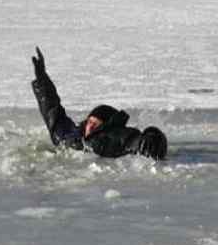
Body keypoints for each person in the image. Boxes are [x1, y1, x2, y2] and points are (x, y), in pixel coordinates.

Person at [31, 47, 167, 160]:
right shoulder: (72, 136)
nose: (90, 126)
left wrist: (150, 139)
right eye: (90, 121)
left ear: (106, 126)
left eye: (96, 124)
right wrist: (42, 80)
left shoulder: (113, 137)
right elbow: (53, 112)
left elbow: (135, 141)